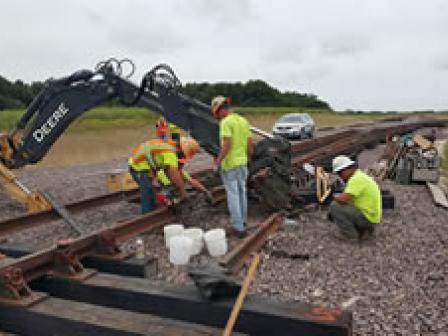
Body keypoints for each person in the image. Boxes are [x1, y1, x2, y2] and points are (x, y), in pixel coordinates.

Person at [211, 96, 253, 237]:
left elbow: (227, 144)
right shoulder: (243, 121)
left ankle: (238, 227)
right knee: (242, 193)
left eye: (216, 113)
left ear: (220, 110)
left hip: (230, 165)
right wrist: (248, 158)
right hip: (242, 164)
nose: (217, 117)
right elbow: (249, 144)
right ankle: (243, 221)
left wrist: (218, 162)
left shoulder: (226, 122)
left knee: (233, 195)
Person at [328, 155, 382, 241]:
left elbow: (344, 199)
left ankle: (350, 235)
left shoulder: (355, 179)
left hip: (368, 218)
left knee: (335, 206)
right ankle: (365, 230)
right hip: (371, 217)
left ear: (347, 169)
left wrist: (332, 196)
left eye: (340, 173)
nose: (340, 176)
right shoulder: (360, 176)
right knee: (342, 206)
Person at [128, 136, 187, 213]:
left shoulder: (168, 145)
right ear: (181, 150)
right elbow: (174, 173)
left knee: (151, 190)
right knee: (147, 192)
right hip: (138, 167)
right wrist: (183, 192)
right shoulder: (169, 152)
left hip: (143, 165)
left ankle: (152, 209)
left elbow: (165, 169)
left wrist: (157, 180)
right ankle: (147, 216)